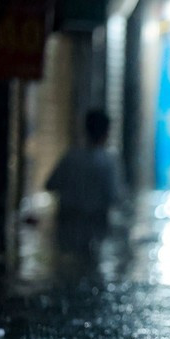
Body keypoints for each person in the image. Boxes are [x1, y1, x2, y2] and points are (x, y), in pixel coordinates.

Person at [45, 109, 123, 255]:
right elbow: (114, 196)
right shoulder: (108, 162)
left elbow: (49, 185)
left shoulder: (70, 158)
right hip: (95, 225)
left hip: (67, 223)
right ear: (107, 133)